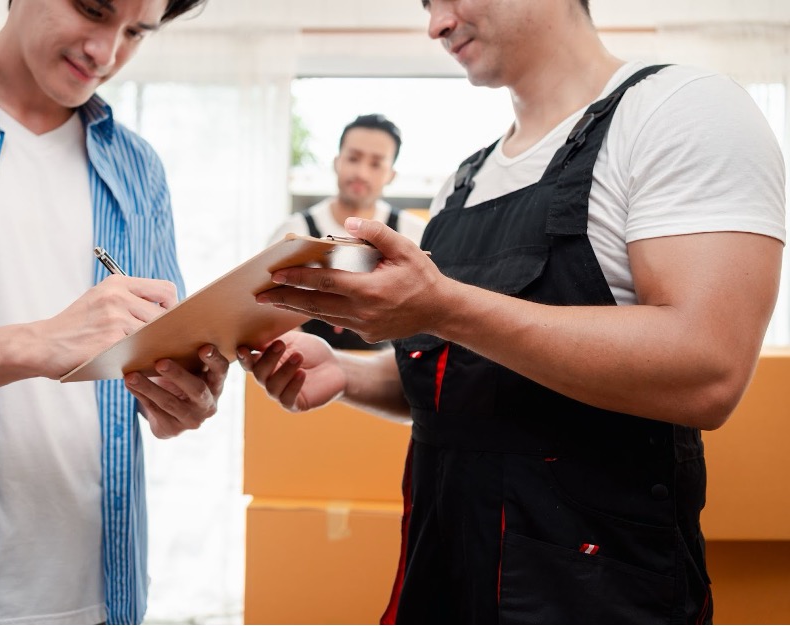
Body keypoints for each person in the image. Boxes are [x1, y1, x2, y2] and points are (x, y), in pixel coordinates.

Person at [239, 0, 786, 623]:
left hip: (594, 593)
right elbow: (468, 373)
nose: (435, 25)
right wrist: (346, 372)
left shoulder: (683, 112)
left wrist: (442, 307)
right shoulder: (462, 184)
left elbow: (706, 369)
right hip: (440, 579)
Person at [0, 0, 230, 623]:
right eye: (93, 10)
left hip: (102, 590)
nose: (107, 53)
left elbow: (162, 382)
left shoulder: (140, 170)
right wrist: (44, 341)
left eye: (136, 31)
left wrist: (183, 401)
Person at [269, 113, 425, 349]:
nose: (361, 173)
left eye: (376, 164)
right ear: (337, 162)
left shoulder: (414, 234)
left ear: (391, 174)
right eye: (353, 158)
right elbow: (267, 309)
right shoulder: (293, 231)